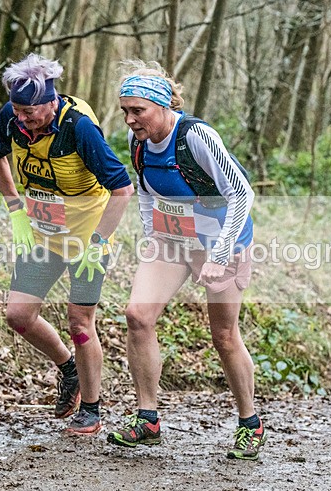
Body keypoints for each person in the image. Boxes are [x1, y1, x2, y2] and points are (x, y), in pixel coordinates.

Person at [106, 61, 266, 460]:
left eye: (137, 110)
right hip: (173, 240)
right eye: (125, 111)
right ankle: (148, 419)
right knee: (138, 315)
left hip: (223, 240)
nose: (129, 119)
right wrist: (151, 236)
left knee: (224, 337)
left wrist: (220, 252)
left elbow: (242, 195)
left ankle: (251, 424)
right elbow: (144, 190)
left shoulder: (196, 136)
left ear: (160, 105)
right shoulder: (138, 141)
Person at [0, 54, 134, 434]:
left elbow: (122, 189)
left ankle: (92, 410)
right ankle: (69, 370)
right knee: (18, 316)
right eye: (18, 110)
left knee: (80, 323)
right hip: (43, 235)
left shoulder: (80, 129)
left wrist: (99, 242)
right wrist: (15, 209)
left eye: (31, 112)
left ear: (52, 102)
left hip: (87, 239)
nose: (23, 119)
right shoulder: (12, 117)